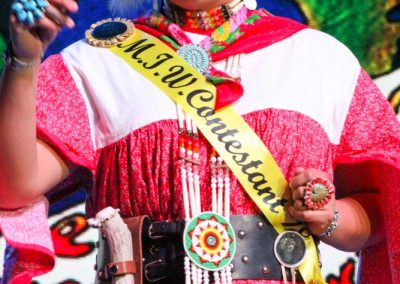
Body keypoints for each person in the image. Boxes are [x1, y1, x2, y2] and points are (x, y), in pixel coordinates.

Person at [0, 0, 399, 283]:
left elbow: (382, 211)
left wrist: (328, 216)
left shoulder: (320, 60)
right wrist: (23, 62)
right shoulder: (95, 62)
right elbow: (14, 187)